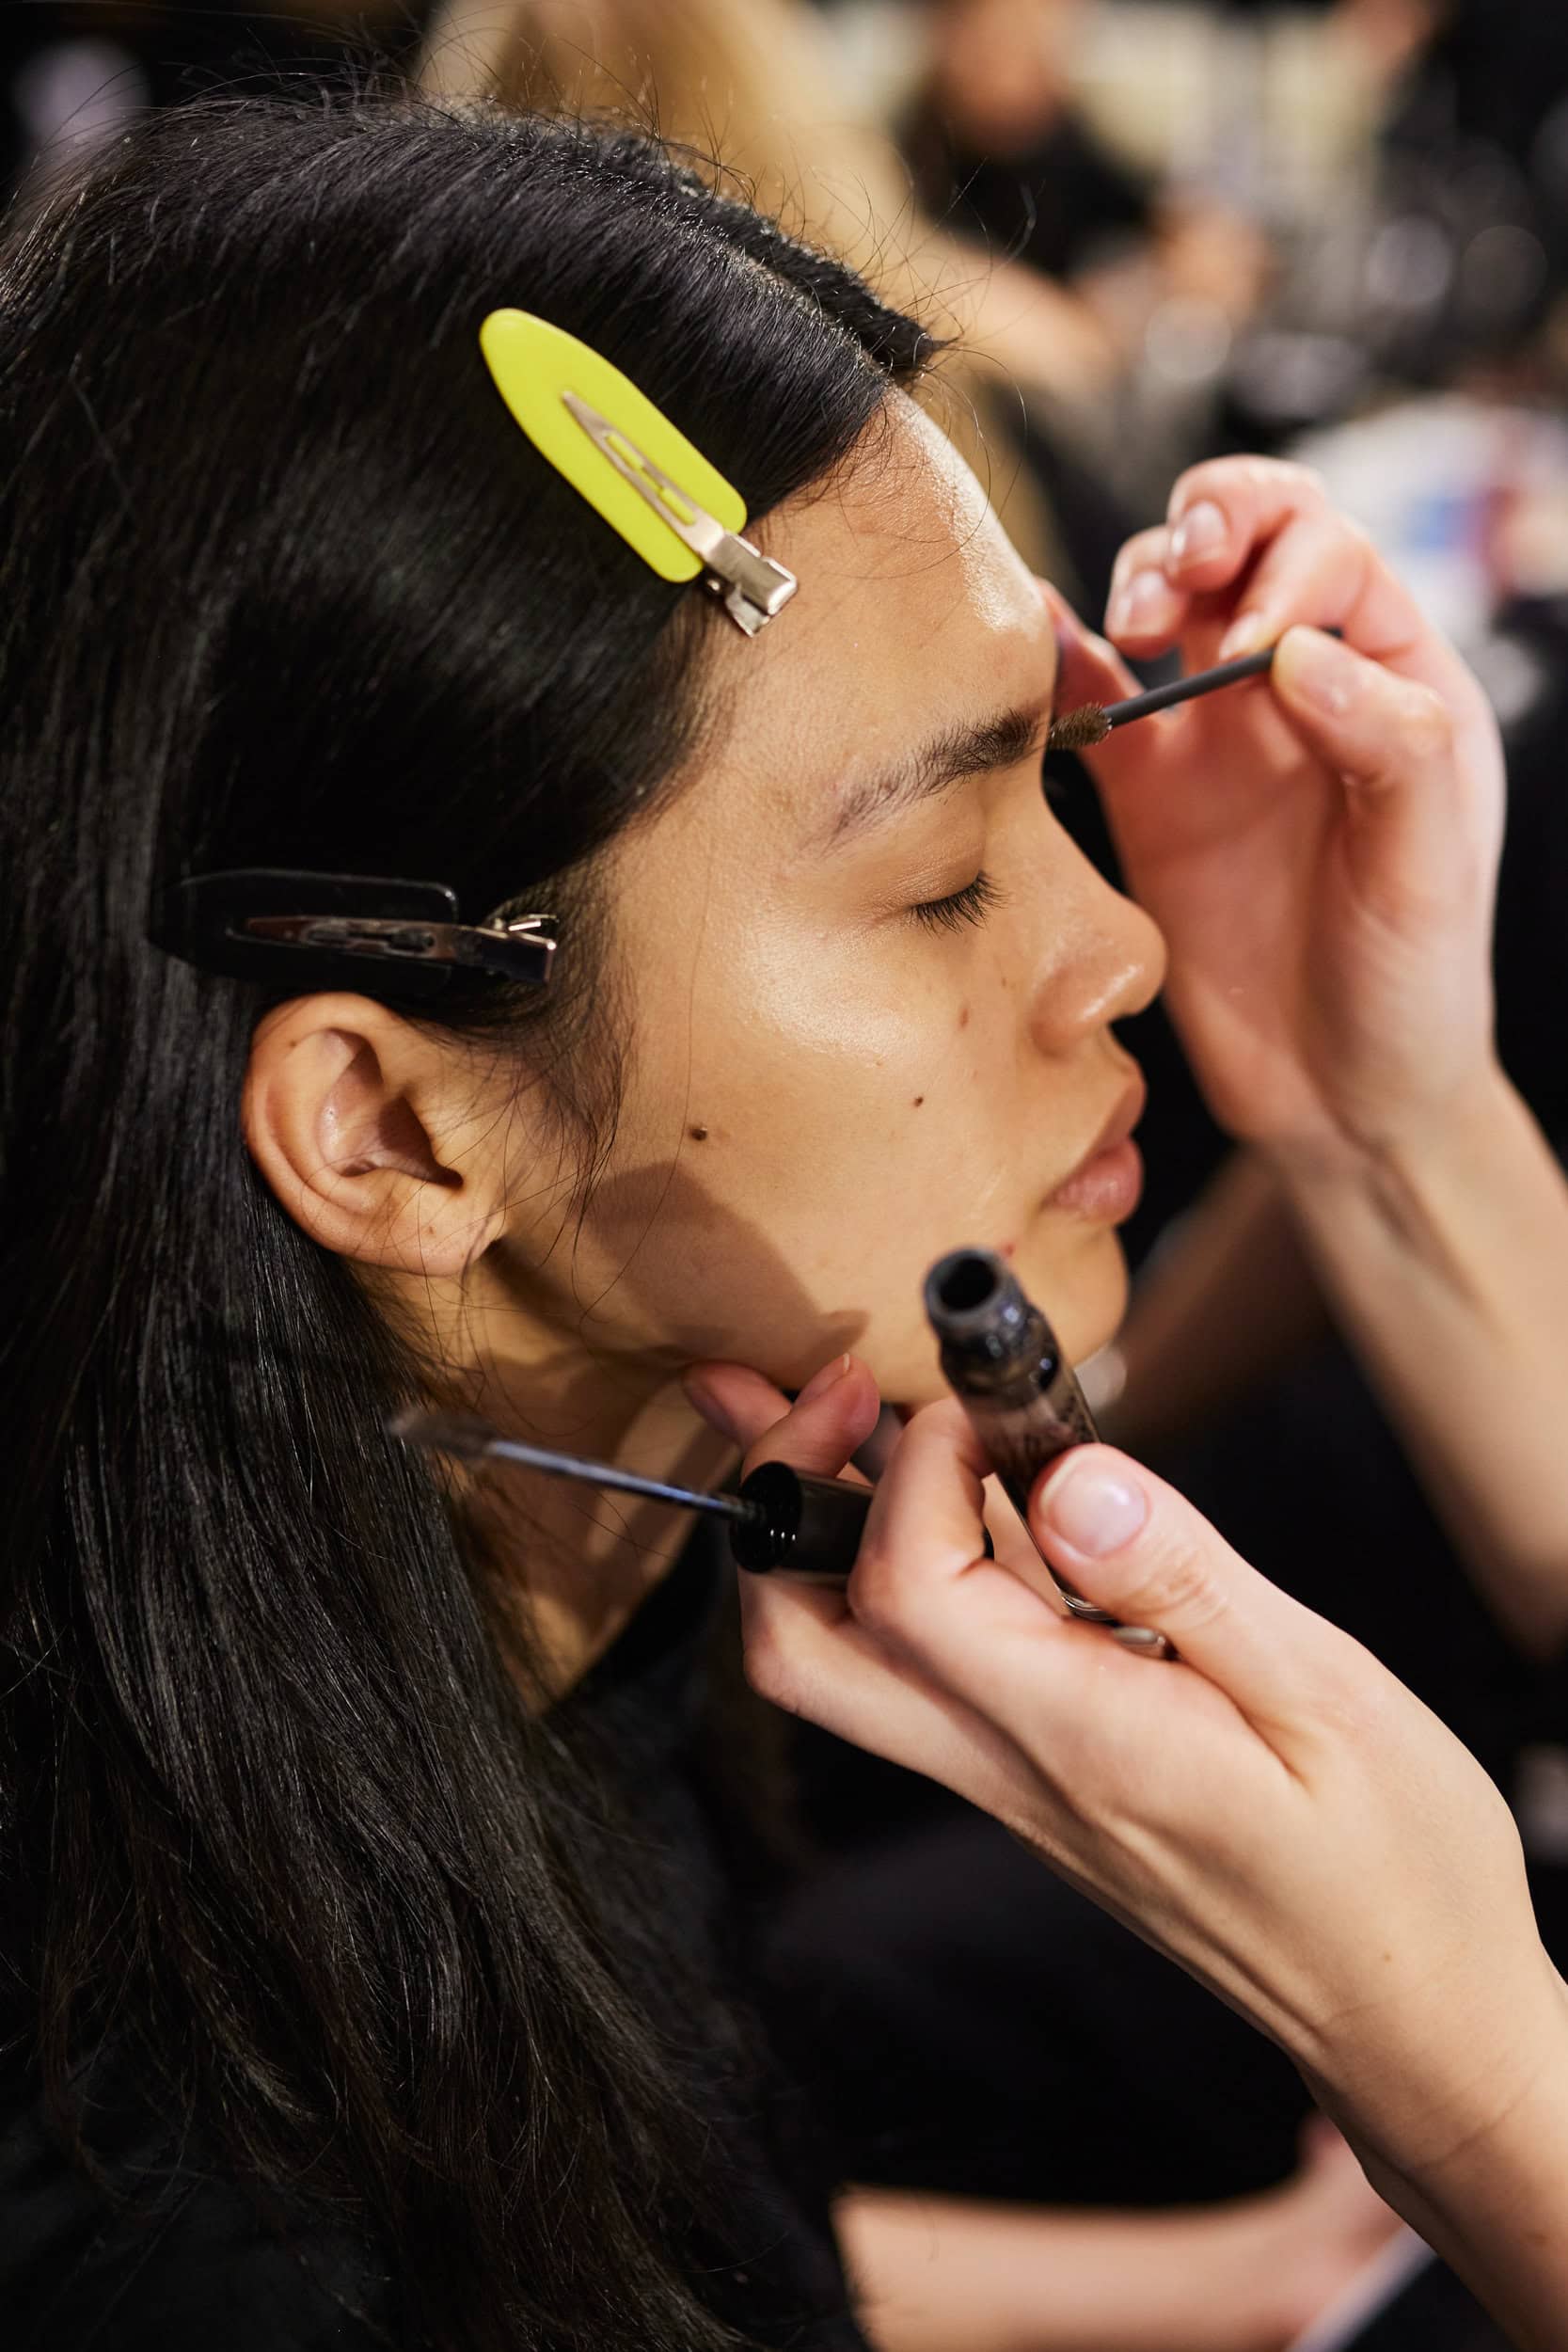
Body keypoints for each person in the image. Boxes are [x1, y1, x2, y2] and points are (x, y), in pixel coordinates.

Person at [0, 86, 1528, 2352]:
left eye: (1054, 770)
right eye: (937, 880)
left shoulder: (542, 1607)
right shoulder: (208, 2241)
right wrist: (1484, 2093)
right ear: (395, 1131)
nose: (1122, 948)